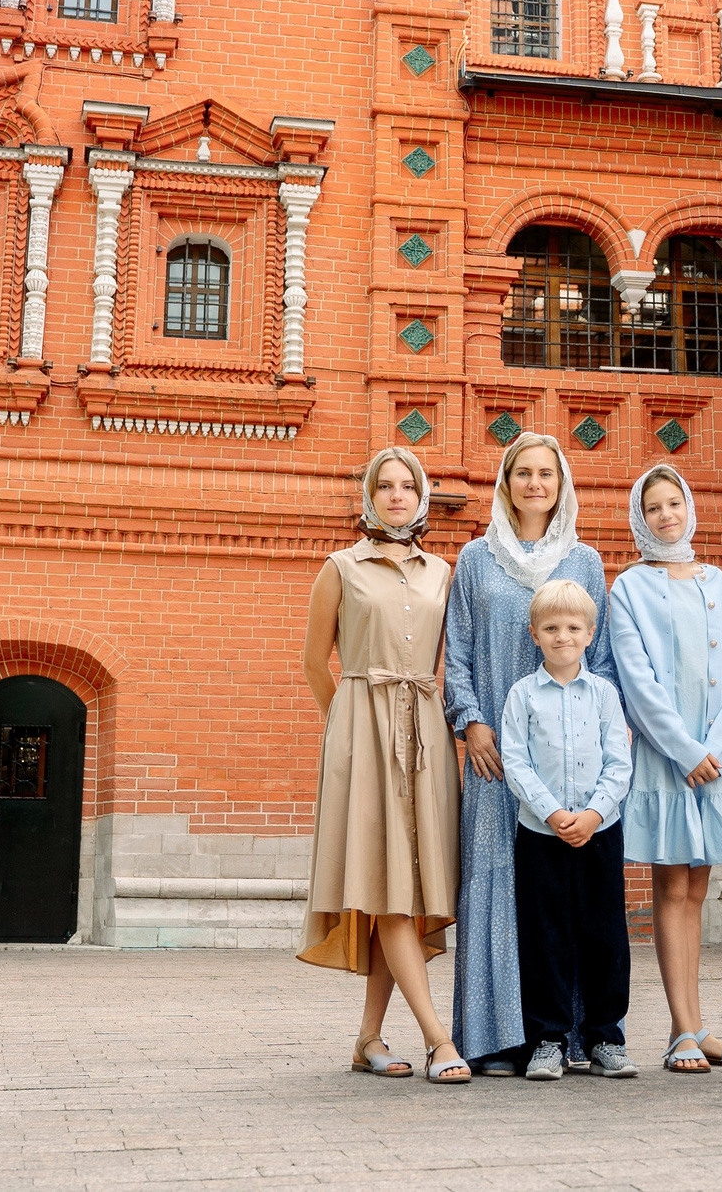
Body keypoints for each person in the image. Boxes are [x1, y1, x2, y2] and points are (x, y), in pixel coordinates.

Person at [442, 431, 613, 1076]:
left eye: (547, 473)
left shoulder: (586, 562)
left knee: (564, 896)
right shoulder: (476, 560)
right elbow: (455, 651)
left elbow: (603, 662)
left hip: (569, 761)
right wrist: (471, 722)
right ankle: (496, 1037)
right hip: (495, 756)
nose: (535, 484)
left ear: (561, 483)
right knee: (494, 884)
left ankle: (566, 1035)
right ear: (505, 483)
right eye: (523, 473)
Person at [299, 447, 469, 1084]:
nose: (397, 495)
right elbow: (318, 661)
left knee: (399, 886)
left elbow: (456, 655)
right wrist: (348, 725)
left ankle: (369, 1038)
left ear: (422, 495)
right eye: (385, 486)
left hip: (426, 731)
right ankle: (438, 1038)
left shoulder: (442, 572)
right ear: (368, 496)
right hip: (363, 735)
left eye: (408, 485)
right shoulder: (340, 567)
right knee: (393, 890)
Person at [604, 464, 722, 1072]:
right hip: (666, 760)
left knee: (698, 887)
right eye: (653, 508)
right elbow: (636, 682)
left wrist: (714, 748)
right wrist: (685, 750)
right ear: (640, 520)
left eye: (674, 503)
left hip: (716, 760)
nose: (666, 515)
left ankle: (692, 1027)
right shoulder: (628, 589)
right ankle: (683, 1036)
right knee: (670, 886)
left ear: (689, 508)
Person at [499, 578, 636, 1080]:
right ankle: (548, 1039)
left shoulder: (603, 694)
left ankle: (605, 1037)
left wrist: (594, 814)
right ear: (534, 634)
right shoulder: (522, 695)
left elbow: (619, 762)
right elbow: (516, 761)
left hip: (601, 831)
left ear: (590, 633)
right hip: (541, 833)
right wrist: (553, 813)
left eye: (573, 627)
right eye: (551, 628)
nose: (562, 636)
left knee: (604, 933)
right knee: (545, 935)